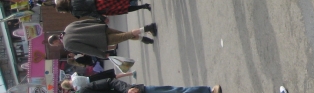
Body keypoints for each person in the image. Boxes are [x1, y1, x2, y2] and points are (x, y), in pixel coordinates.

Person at [48, 19, 158, 56]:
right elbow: (85, 21)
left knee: (126, 35)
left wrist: (101, 54)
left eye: (55, 44)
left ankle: (147, 28)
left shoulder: (67, 44)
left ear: (56, 40)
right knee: (124, 34)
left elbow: (86, 49)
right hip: (100, 29)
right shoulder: (68, 27)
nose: (57, 45)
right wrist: (99, 21)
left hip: (101, 41)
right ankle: (144, 39)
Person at [54, 0, 151, 20]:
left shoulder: (74, 12)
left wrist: (101, 17)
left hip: (99, 8)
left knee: (123, 8)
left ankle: (143, 6)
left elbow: (90, 13)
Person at [78, 78, 223, 93]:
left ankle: (208, 92)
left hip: (139, 92)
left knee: (175, 92)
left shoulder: (84, 90)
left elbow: (110, 82)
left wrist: (127, 89)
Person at [61, 69, 134, 91]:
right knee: (113, 77)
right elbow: (75, 72)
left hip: (93, 83)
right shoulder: (74, 77)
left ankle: (129, 75)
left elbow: (81, 89)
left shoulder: (76, 87)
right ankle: (129, 73)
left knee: (113, 79)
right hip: (91, 77)